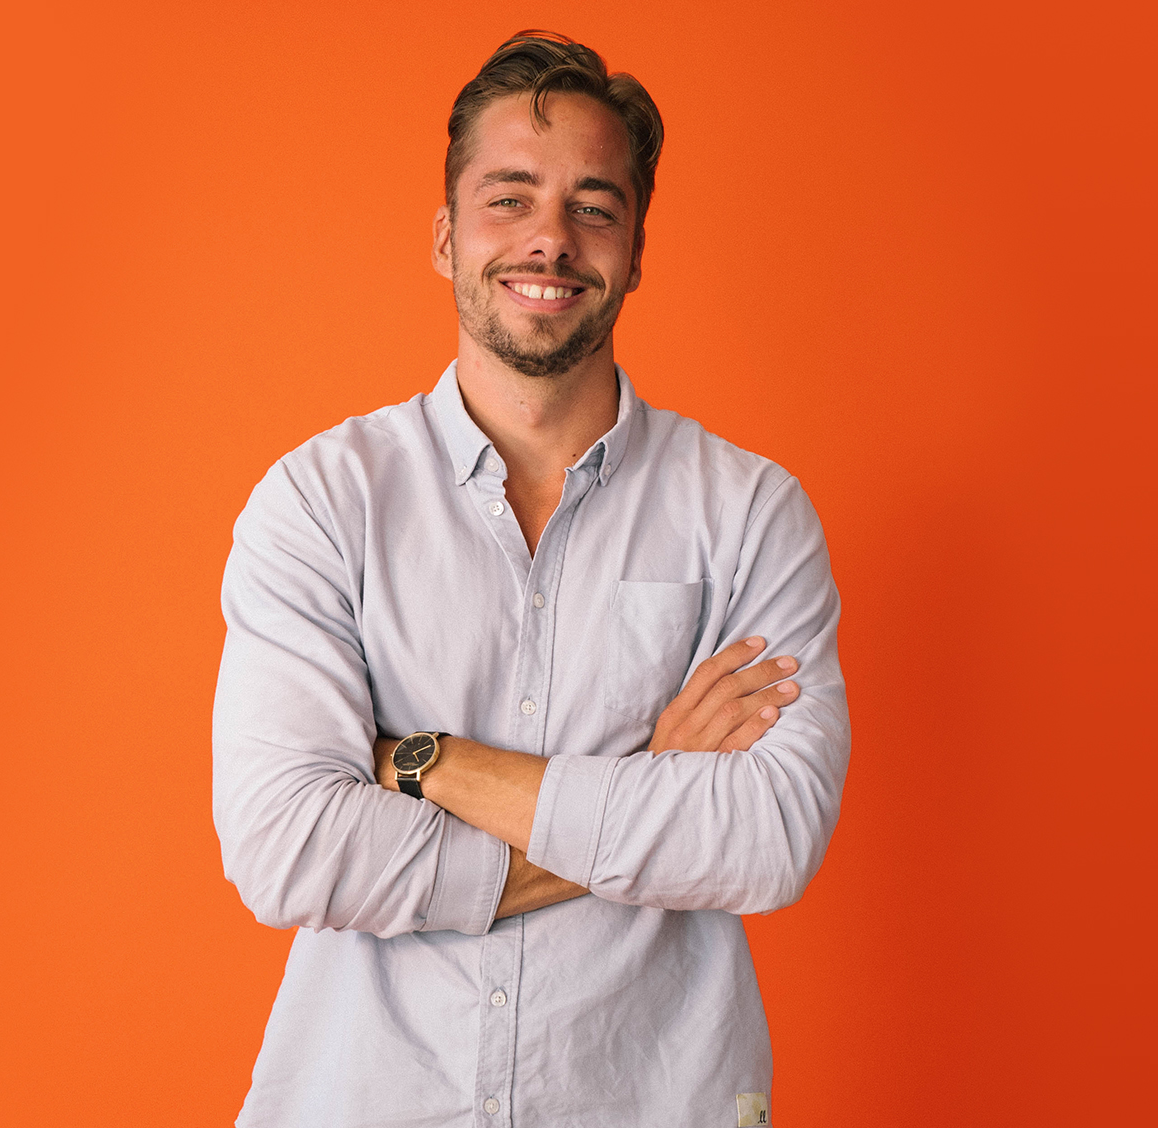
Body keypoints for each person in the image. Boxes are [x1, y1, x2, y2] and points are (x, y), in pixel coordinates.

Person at [212, 30, 848, 1128]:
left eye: (593, 206)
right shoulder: (320, 502)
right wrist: (649, 777)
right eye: (509, 198)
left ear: (636, 250)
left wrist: (425, 762)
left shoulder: (749, 514)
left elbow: (768, 836)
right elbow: (289, 850)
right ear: (447, 236)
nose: (550, 239)